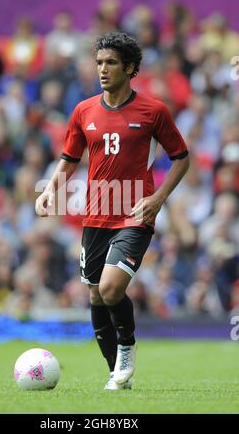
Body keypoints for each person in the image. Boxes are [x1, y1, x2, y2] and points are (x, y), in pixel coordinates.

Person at [35, 32, 189, 390]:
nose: (103, 70)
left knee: (110, 288)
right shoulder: (83, 110)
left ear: (130, 67)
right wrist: (48, 192)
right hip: (96, 215)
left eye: (111, 63)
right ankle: (115, 375)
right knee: (94, 294)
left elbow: (181, 158)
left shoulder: (153, 111)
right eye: (99, 63)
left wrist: (158, 199)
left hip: (135, 213)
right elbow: (69, 160)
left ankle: (127, 346)